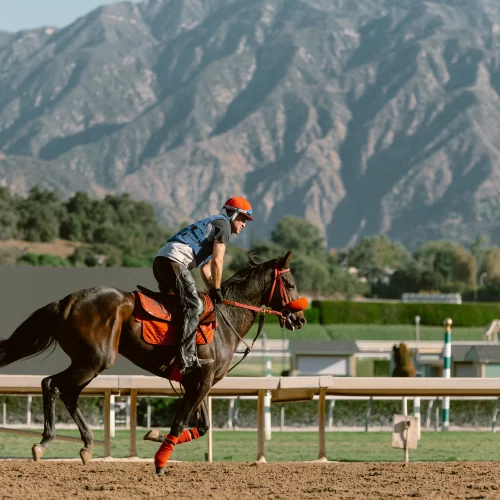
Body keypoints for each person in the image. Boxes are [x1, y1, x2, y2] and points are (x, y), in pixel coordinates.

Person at [153, 196, 253, 374]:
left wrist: (213, 290)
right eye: (243, 219)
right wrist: (216, 288)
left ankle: (165, 347)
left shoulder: (214, 225)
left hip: (162, 261)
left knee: (177, 307)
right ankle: (186, 356)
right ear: (234, 215)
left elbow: (206, 269)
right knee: (194, 305)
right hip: (174, 262)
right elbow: (217, 261)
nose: (244, 224)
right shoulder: (224, 227)